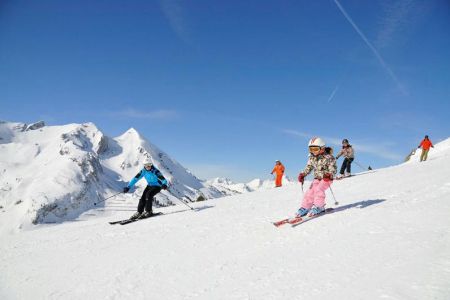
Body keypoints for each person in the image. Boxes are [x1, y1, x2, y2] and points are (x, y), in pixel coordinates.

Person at [297, 137, 337, 217]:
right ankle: (305, 207)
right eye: (311, 149)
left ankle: (319, 206)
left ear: (322, 148)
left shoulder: (329, 157)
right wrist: (303, 174)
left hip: (327, 178)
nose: (313, 151)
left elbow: (333, 168)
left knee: (319, 190)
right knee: (310, 192)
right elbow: (309, 167)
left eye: (315, 149)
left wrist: (329, 174)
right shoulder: (312, 157)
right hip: (317, 178)